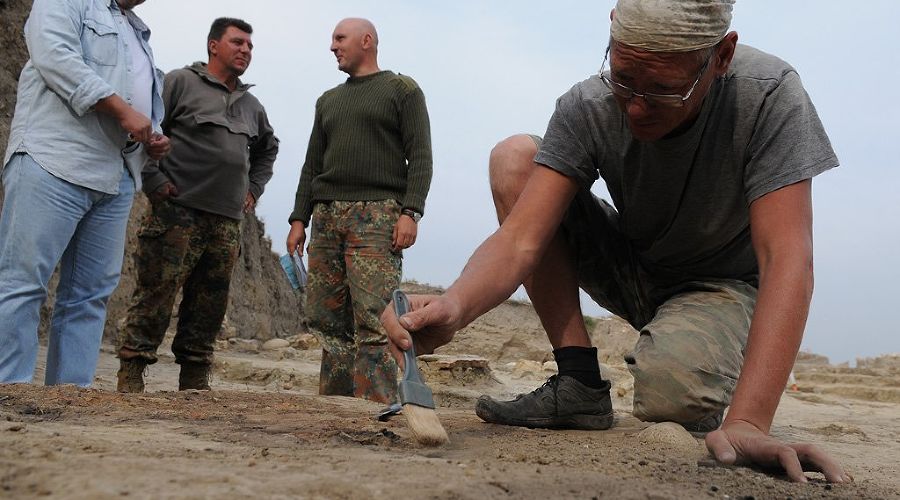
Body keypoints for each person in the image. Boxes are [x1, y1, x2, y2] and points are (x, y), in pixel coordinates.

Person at [381, 0, 851, 484]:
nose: (636, 106)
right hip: (634, 263)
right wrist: (456, 306)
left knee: (672, 397)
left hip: (719, 286)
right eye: (624, 79)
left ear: (722, 56)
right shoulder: (589, 105)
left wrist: (749, 420)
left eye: (665, 89)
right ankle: (579, 380)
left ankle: (700, 366)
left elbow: (786, 258)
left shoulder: (767, 95)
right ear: (611, 29)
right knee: (515, 158)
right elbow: (521, 238)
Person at [0, 0, 167, 387]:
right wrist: (122, 111)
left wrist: (153, 135)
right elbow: (54, 56)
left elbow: (140, 100)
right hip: (54, 158)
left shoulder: (137, 31)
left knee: (89, 295)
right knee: (23, 282)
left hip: (116, 174)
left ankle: (71, 395)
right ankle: (9, 391)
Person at [116, 17, 278, 392]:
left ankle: (193, 380)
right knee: (156, 293)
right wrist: (154, 180)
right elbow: (148, 129)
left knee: (209, 302)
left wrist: (254, 188)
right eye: (237, 42)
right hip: (177, 210)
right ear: (213, 45)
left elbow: (267, 149)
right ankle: (131, 373)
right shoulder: (180, 82)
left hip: (226, 221)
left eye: (250, 46)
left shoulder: (251, 105)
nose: (245, 50)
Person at [286, 18, 432, 404]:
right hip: (326, 218)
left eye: (340, 38)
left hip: (378, 216)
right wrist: (299, 218)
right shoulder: (327, 101)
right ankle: (334, 407)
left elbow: (420, 155)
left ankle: (374, 407)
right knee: (325, 316)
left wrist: (411, 211)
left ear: (366, 41)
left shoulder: (402, 90)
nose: (332, 46)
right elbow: (312, 165)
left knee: (375, 316)